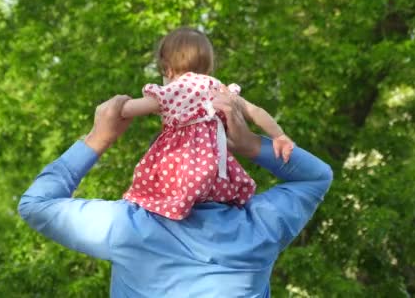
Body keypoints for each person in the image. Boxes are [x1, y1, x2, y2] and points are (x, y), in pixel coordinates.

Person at [18, 92, 333, 297]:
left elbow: (36, 204)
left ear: (155, 168)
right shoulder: (259, 228)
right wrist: (250, 144)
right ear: (224, 168)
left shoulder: (127, 228)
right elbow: (315, 177)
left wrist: (98, 139)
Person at [120, 27, 294, 220]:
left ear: (167, 68)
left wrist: (119, 106)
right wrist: (279, 136)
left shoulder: (176, 89)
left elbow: (129, 110)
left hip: (180, 170)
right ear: (208, 65)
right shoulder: (219, 89)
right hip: (213, 171)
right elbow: (255, 112)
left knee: (152, 195)